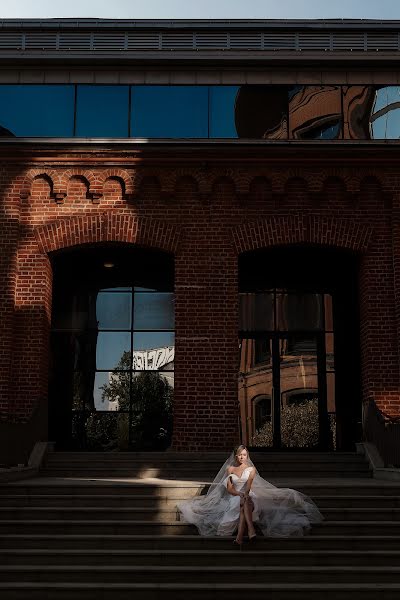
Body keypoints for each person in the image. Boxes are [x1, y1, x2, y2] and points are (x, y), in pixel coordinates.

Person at [177, 444, 323, 544]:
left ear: (248, 456)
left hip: (249, 494)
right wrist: (239, 494)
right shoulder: (230, 469)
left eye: (244, 455)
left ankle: (241, 536)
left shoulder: (251, 470)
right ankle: (249, 530)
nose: (242, 457)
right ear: (236, 456)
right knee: (241, 502)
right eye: (240, 455)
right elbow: (229, 488)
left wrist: (244, 494)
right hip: (234, 495)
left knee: (247, 499)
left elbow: (248, 486)